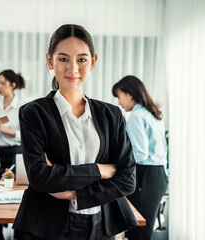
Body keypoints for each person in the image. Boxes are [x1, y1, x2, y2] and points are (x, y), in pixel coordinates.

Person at [13, 24, 137, 240]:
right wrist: (100, 170)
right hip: (49, 226)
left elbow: (127, 180)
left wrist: (75, 194)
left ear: (93, 62)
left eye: (81, 59)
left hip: (102, 224)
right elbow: (40, 178)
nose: (73, 69)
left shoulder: (112, 115)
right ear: (50, 61)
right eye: (63, 59)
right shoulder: (33, 113)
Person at [112, 75, 168, 240]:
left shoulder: (136, 117)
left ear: (129, 94)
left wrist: (116, 163)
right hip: (158, 175)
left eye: (119, 96)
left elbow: (140, 154)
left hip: (146, 175)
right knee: (144, 227)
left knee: (138, 229)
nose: (119, 103)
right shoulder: (152, 114)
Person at [0, 69, 25, 174]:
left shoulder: (21, 107)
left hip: (14, 152)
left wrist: (7, 131)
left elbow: (27, 135)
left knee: (12, 183)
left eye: (3, 83)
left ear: (13, 85)